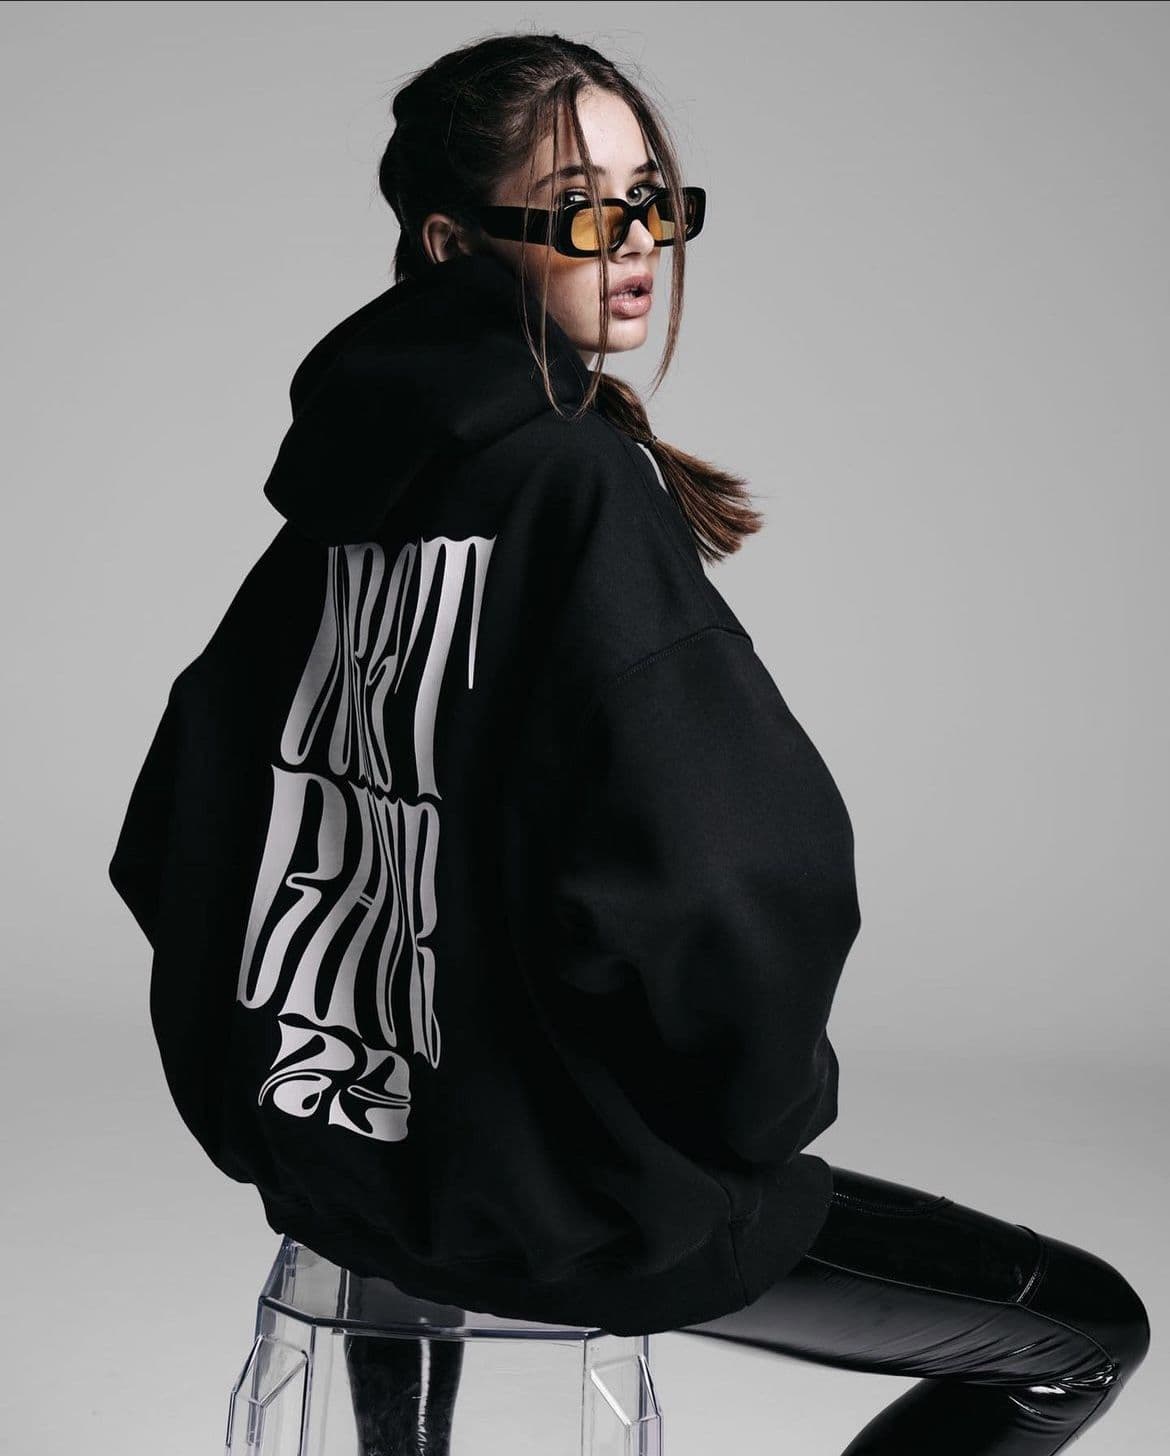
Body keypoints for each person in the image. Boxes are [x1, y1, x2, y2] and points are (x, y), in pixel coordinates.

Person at [107, 31, 1150, 1456]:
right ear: (453, 241)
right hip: (571, 1201)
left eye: (651, 199)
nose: (639, 240)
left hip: (345, 1168)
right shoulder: (573, 481)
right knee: (1083, 1334)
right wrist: (748, 1126)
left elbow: (175, 829)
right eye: (582, 208)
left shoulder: (349, 498)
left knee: (428, 1244)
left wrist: (285, 1083)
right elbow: (730, 875)